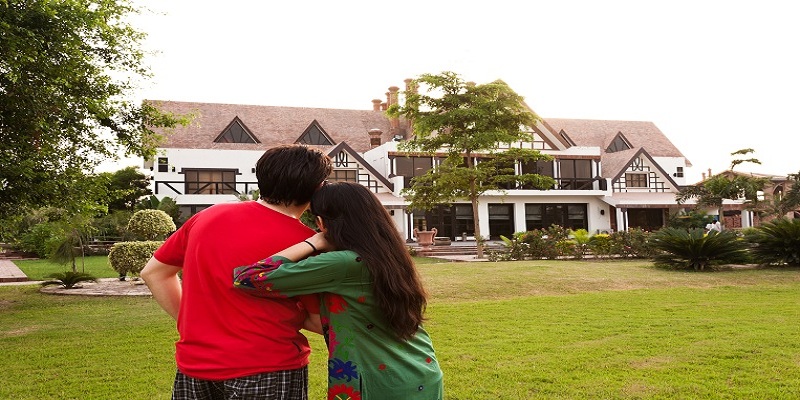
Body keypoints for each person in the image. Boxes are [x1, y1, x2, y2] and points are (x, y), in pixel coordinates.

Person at [140, 144, 332, 400]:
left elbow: (154, 272)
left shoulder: (208, 216)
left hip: (195, 363)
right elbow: (320, 321)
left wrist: (192, 323)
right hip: (268, 367)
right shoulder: (307, 244)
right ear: (318, 188)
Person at [233, 181, 444, 400]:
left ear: (323, 222)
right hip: (422, 370)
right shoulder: (389, 255)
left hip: (380, 384)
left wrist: (312, 243)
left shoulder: (343, 263)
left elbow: (247, 278)